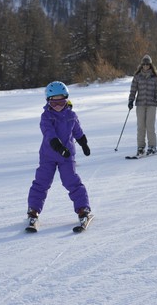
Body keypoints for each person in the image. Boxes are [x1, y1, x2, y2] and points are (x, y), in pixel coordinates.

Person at [25, 81, 92, 232]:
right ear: (48, 101)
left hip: (67, 156)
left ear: (66, 99)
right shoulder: (46, 117)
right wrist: (59, 147)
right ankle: (33, 211)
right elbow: (49, 134)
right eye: (54, 102)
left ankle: (83, 209)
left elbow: (77, 131)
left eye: (61, 101)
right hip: (48, 155)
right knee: (41, 182)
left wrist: (83, 143)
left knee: (72, 181)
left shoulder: (71, 115)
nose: (58, 105)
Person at [128, 55, 157, 156]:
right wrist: (131, 101)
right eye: (144, 64)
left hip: (151, 105)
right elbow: (133, 91)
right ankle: (140, 147)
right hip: (140, 104)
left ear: (150, 65)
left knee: (150, 126)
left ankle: (152, 146)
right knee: (141, 127)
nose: (145, 66)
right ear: (141, 65)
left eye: (147, 64)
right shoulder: (137, 77)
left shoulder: (155, 79)